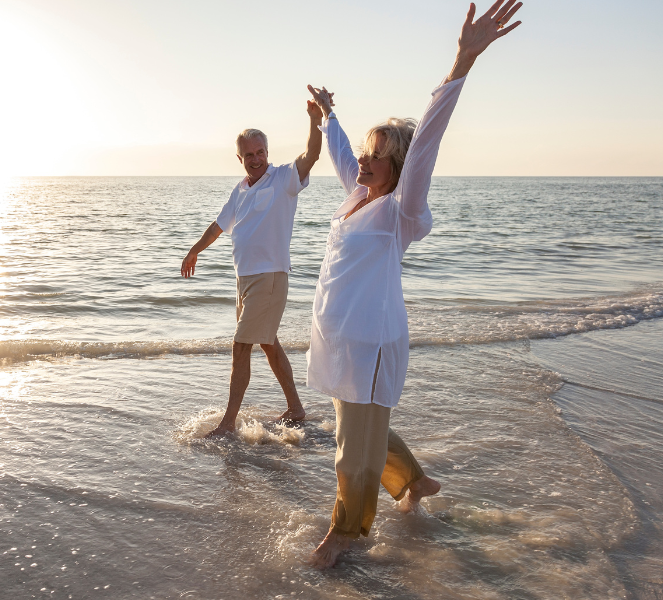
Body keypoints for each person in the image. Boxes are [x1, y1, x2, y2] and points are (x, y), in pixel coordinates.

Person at [305, 0, 523, 568]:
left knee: (352, 445)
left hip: (371, 341)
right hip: (341, 340)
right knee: (358, 425)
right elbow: (339, 152)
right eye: (364, 153)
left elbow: (425, 144)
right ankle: (414, 482)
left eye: (377, 155)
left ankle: (347, 533)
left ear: (398, 164)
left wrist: (460, 64)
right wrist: (329, 116)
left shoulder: (399, 210)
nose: (363, 160)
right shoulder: (357, 198)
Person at [180, 100, 324, 437]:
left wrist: (315, 120)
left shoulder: (284, 179)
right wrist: (193, 251)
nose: (256, 159)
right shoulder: (240, 190)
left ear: (267, 152)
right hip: (244, 280)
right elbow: (218, 227)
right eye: (249, 155)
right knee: (269, 343)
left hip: (270, 277)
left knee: (241, 345)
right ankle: (296, 408)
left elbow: (311, 155)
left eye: (260, 152)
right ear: (240, 159)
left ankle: (228, 423)